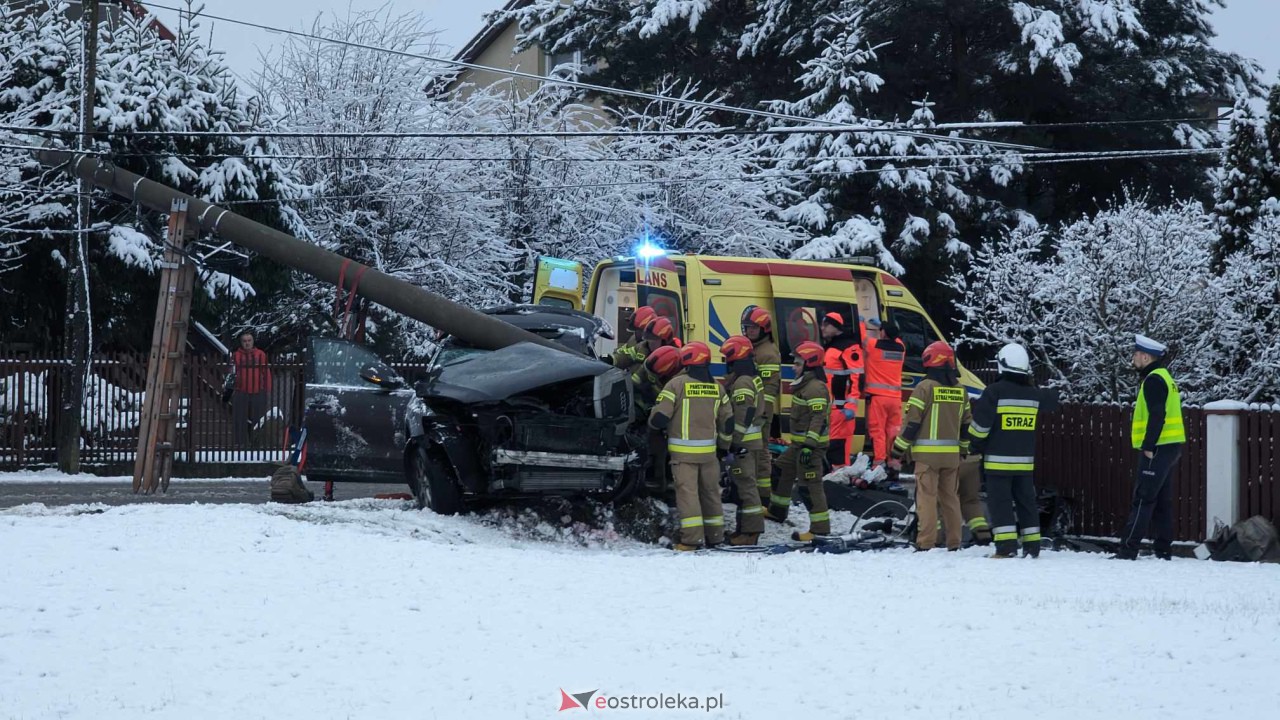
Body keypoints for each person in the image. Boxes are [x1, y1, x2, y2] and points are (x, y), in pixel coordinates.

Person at [968, 343, 1059, 558]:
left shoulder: (994, 392)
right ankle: (1032, 546)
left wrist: (973, 445)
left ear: (1003, 365)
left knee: (1001, 506)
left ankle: (1006, 548)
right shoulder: (1033, 394)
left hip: (997, 464)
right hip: (1024, 464)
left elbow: (980, 429)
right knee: (1026, 503)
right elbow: (1052, 400)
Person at [650, 341, 733, 551]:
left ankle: (691, 540)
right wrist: (723, 447)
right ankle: (715, 537)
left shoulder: (676, 385)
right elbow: (728, 422)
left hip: (683, 456)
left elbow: (659, 418)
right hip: (709, 455)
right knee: (711, 494)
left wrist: (653, 423)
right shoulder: (718, 388)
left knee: (688, 496)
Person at [892, 341, 970, 551]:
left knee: (926, 498)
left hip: (927, 457)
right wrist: (963, 450)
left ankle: (925, 542)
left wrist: (898, 449)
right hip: (952, 456)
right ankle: (954, 542)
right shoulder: (961, 390)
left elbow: (912, 423)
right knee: (951, 499)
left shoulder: (924, 387)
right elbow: (966, 426)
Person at [1114, 334, 1185, 561]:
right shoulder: (1166, 377)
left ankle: (1128, 549)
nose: (1133, 358)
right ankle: (1163, 550)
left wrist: (1148, 445)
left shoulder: (1153, 379)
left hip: (1158, 448)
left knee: (1144, 498)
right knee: (1163, 501)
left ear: (1145, 356)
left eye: (1135, 355)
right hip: (1170, 447)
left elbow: (1157, 413)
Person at [765, 340, 832, 541]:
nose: (793, 368)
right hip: (798, 445)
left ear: (809, 365)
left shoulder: (815, 388)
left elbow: (818, 418)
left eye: (797, 364)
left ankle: (820, 529)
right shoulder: (805, 385)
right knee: (781, 469)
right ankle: (778, 510)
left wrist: (809, 447)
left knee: (809, 486)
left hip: (810, 448)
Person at [720, 335, 767, 545]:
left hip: (744, 445)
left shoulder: (743, 381)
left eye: (727, 359)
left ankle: (751, 533)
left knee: (747, 488)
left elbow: (744, 413)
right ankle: (744, 531)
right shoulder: (748, 377)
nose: (725, 364)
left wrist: (734, 441)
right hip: (749, 443)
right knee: (743, 487)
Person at [741, 306, 781, 505]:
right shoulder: (755, 348)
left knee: (761, 450)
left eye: (754, 328)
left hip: (761, 410)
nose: (749, 331)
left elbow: (769, 388)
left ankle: (764, 494)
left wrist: (762, 414)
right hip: (754, 408)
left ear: (764, 329)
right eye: (747, 327)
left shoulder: (767, 354)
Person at [630, 345, 683, 492]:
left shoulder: (678, 381)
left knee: (660, 446)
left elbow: (670, 406)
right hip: (653, 408)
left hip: (674, 419)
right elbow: (634, 384)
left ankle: (663, 484)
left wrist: (652, 410)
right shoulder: (651, 364)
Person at [862, 317, 907, 474]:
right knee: (893, 431)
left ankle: (879, 462)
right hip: (895, 398)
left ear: (883, 333)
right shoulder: (901, 348)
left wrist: (863, 323)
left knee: (878, 431)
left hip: (878, 398)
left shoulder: (874, 346)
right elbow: (896, 338)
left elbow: (862, 338)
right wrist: (882, 327)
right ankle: (893, 460)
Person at [820, 312, 863, 469]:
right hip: (829, 407)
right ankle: (834, 478)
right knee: (831, 447)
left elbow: (856, 377)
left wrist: (850, 406)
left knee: (839, 448)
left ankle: (839, 480)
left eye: (826, 325)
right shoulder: (830, 347)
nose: (822, 328)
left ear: (836, 327)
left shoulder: (849, 348)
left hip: (841, 408)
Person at [228, 330, 272, 448]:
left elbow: (266, 372)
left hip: (258, 391)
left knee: (258, 420)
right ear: (241, 343)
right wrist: (230, 389)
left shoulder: (260, 355)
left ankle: (257, 444)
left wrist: (267, 389)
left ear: (253, 341)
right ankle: (240, 443)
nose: (247, 343)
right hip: (240, 391)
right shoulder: (236, 356)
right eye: (244, 341)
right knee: (239, 419)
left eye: (249, 340)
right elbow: (231, 373)